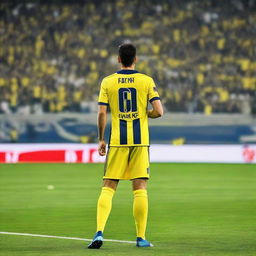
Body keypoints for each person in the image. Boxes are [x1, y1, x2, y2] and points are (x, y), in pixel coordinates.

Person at [88, 43, 163, 249]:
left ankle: (99, 232)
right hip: (140, 142)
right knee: (140, 189)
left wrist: (101, 138)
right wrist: (143, 114)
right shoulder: (146, 81)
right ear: (135, 59)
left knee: (109, 186)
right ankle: (141, 237)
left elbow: (102, 113)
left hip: (117, 141)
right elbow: (159, 111)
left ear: (118, 59)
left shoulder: (108, 82)